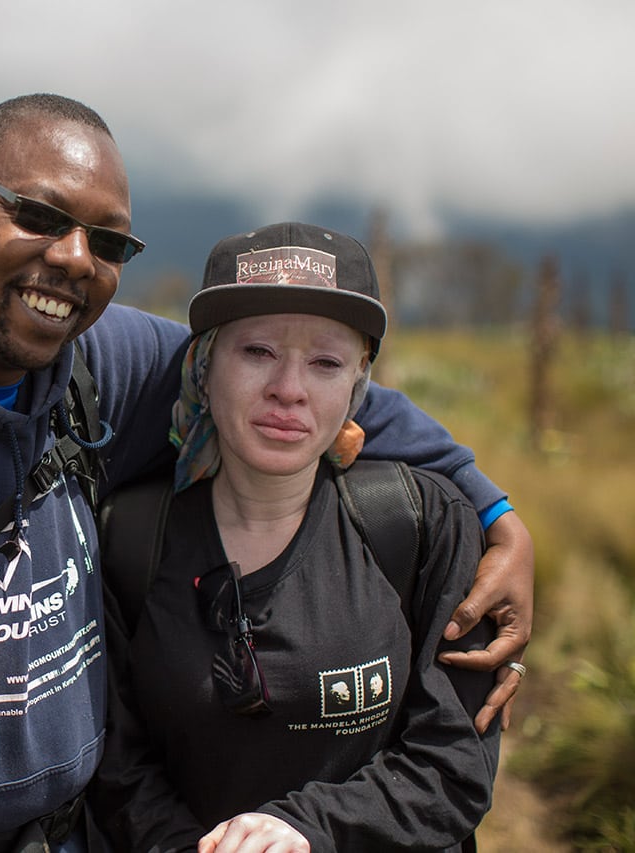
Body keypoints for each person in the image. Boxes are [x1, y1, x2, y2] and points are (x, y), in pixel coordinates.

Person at [0, 96, 530, 851]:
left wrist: (494, 513)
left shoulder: (85, 364)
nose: (75, 257)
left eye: (107, 240)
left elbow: (290, 393)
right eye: (38, 215)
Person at [93, 222, 502, 853]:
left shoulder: (420, 523)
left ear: (358, 384)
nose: (289, 389)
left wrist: (310, 830)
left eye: (326, 363)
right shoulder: (128, 537)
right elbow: (117, 771)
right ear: (204, 365)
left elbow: (455, 763)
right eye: (257, 351)